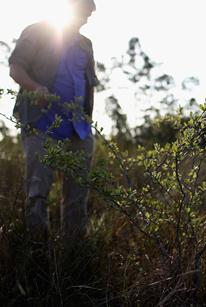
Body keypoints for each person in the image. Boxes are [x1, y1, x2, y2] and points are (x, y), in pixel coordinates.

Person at [9, 0, 97, 242]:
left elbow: (89, 84)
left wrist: (88, 119)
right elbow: (15, 68)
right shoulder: (37, 31)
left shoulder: (85, 44)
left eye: (88, 14)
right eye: (83, 11)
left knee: (77, 195)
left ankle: (74, 251)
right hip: (41, 124)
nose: (86, 17)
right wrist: (36, 87)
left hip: (79, 130)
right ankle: (37, 252)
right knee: (38, 192)